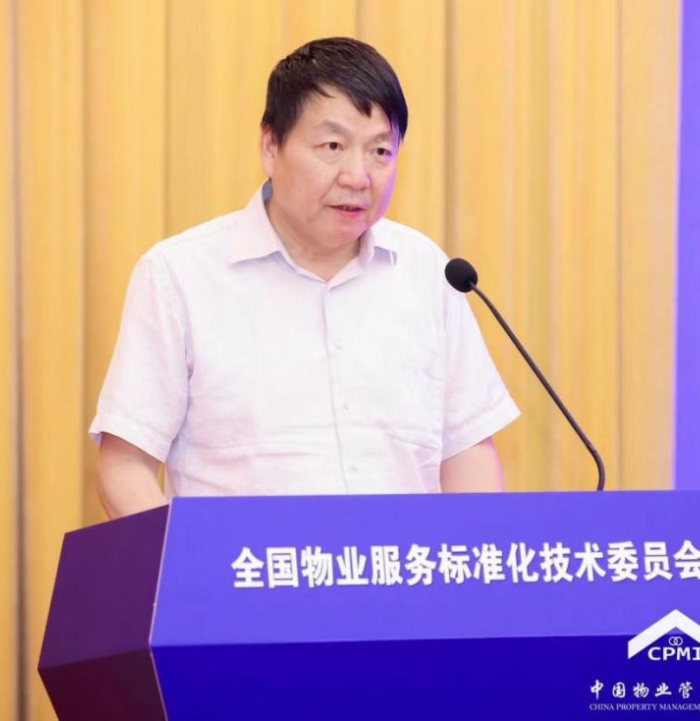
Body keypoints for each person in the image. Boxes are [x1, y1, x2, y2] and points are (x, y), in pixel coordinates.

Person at [90, 37, 519, 519]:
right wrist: (186, 565)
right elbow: (125, 466)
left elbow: (467, 452)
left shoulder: (427, 273)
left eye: (381, 151)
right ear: (271, 147)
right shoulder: (181, 276)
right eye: (332, 146)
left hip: (402, 568)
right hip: (248, 568)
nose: (358, 176)